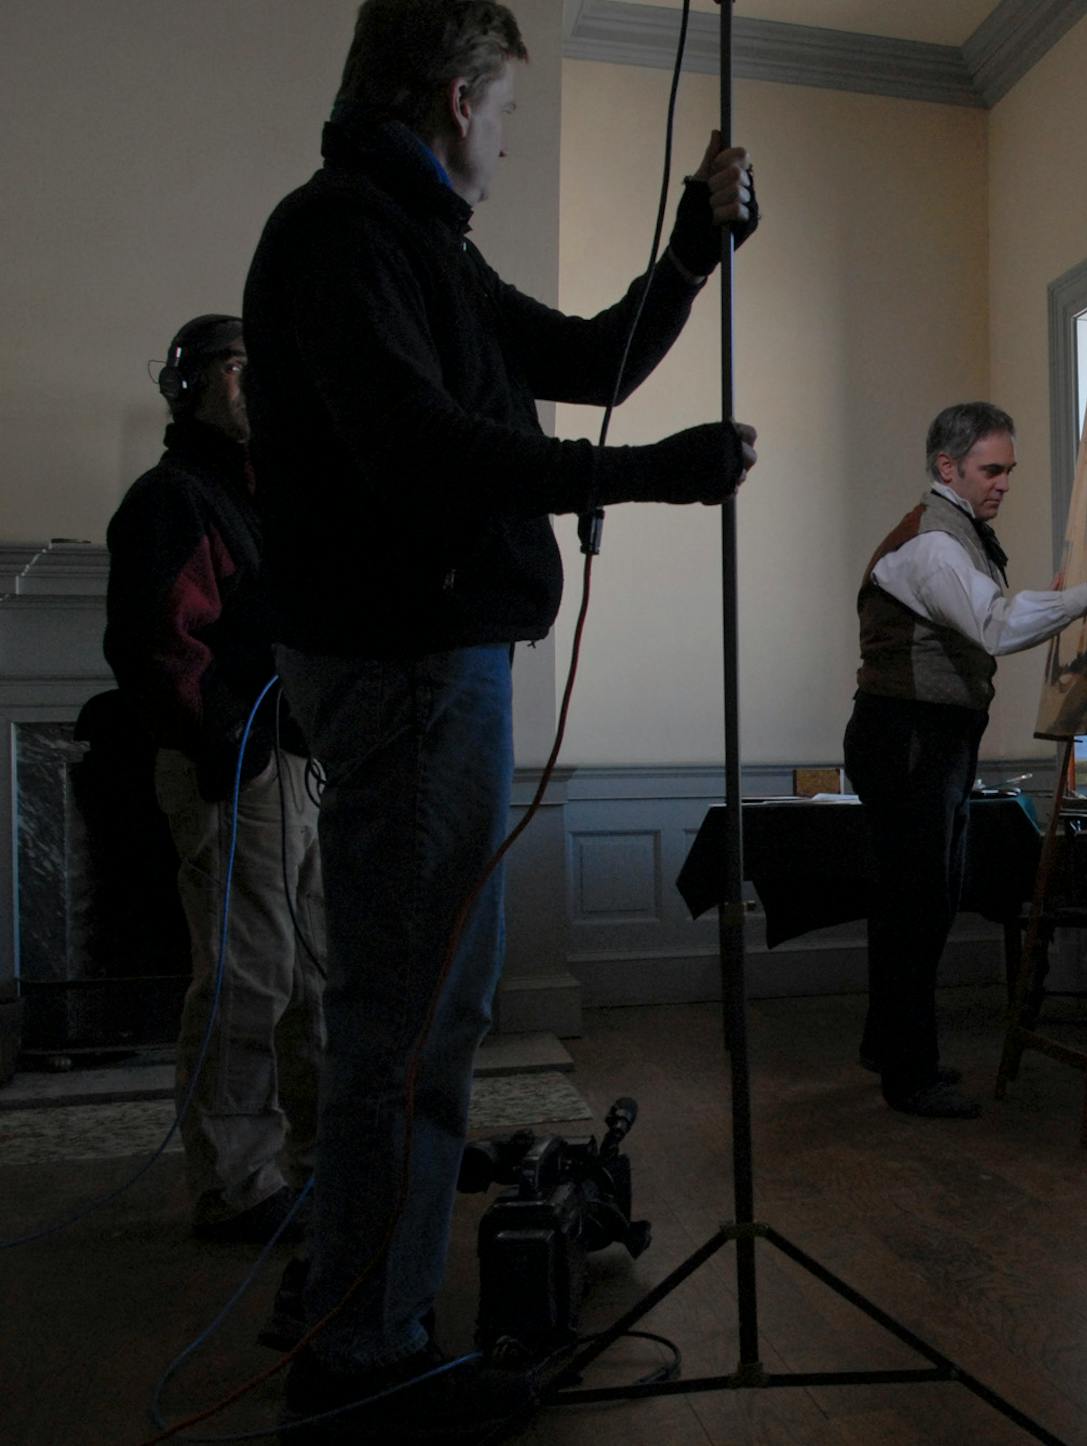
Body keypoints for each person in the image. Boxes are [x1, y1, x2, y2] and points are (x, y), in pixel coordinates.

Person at [241, 2, 760, 1437]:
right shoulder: (345, 234)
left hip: (426, 666)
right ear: (463, 101)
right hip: (409, 669)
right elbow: (417, 448)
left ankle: (360, 1309)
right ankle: (362, 1360)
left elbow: (590, 359)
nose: (512, 139)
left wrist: (693, 251)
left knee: (420, 1014)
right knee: (407, 1026)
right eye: (511, 114)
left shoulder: (415, 247)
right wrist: (644, 478)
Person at [846, 402, 1087, 1119]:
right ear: (948, 468)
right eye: (992, 469)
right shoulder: (934, 546)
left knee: (913, 904)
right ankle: (909, 1075)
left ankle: (888, 1049)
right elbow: (995, 623)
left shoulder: (959, 537)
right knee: (917, 907)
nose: (1003, 482)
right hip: (910, 737)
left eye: (1008, 469)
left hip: (926, 737)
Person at [103, 314, 327, 1245]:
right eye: (234, 365)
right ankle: (235, 1184)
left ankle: (320, 1164)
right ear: (190, 384)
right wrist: (230, 748)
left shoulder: (269, 494)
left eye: (258, 366)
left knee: (314, 975)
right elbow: (159, 648)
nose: (251, 381)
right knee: (248, 978)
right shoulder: (173, 500)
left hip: (297, 767)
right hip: (236, 769)